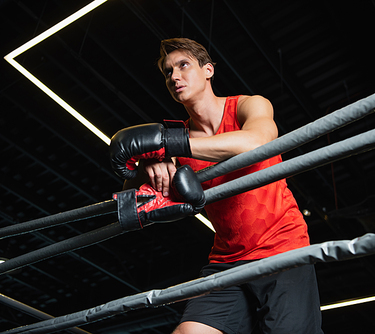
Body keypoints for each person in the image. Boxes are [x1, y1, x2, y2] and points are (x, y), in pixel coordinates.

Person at [111, 38, 323, 334]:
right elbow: (132, 194)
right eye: (167, 71)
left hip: (283, 249)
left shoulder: (248, 106)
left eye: (183, 65)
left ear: (208, 70)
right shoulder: (177, 140)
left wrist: (169, 144)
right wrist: (148, 165)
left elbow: (257, 141)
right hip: (226, 261)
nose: (174, 76)